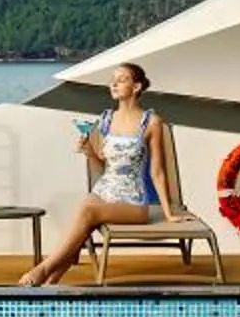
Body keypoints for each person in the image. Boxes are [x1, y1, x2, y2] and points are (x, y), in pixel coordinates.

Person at [20, 62, 180, 286]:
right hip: (104, 191)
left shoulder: (151, 122)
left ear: (137, 87)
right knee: (83, 220)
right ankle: (49, 284)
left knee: (86, 211)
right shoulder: (105, 120)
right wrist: (89, 152)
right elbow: (102, 168)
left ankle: (42, 269)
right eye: (112, 79)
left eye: (121, 79)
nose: (113, 84)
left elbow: (158, 171)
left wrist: (169, 212)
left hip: (133, 202)